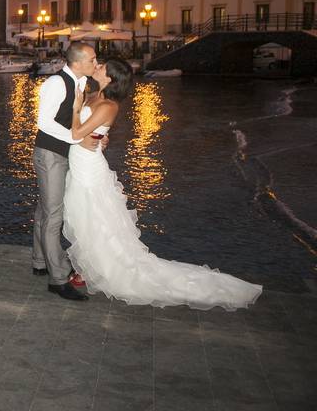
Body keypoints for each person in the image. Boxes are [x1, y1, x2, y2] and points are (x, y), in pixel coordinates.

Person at [63, 58, 262, 310]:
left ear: (110, 78)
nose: (98, 66)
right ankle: (90, 268)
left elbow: (76, 133)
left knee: (96, 220)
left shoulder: (108, 105)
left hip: (89, 169)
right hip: (80, 163)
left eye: (102, 66)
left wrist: (76, 110)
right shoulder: (92, 94)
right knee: (85, 219)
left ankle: (101, 271)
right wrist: (98, 134)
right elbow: (89, 132)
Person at [32, 42, 98, 301]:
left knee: (44, 210)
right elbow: (43, 121)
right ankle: (58, 279)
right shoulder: (57, 84)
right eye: (92, 59)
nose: (96, 63)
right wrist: (76, 138)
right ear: (78, 62)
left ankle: (39, 260)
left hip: (59, 154)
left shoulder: (80, 84)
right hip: (50, 154)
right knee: (54, 215)